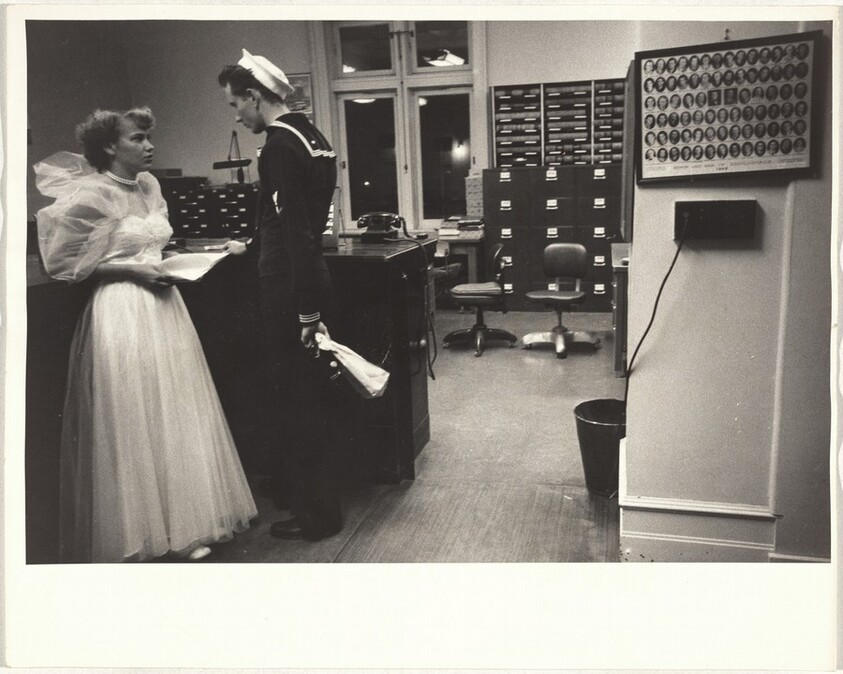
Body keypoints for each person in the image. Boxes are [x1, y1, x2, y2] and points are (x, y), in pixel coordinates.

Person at [34, 107, 258, 563]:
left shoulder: (151, 186)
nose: (150, 145)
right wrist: (132, 271)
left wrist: (199, 255)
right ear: (111, 147)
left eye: (149, 137)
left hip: (165, 306)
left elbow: (157, 242)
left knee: (173, 408)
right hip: (122, 307)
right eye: (139, 138)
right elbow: (63, 266)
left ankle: (187, 525)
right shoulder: (91, 194)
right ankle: (141, 531)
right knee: (132, 414)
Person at [218, 49, 344, 542]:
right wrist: (249, 243)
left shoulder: (278, 146)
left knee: (299, 405)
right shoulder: (312, 136)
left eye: (236, 105)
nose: (237, 115)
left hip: (292, 293)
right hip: (305, 285)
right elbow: (291, 219)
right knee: (310, 401)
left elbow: (297, 237)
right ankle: (311, 500)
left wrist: (307, 312)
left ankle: (317, 517)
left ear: (255, 97)